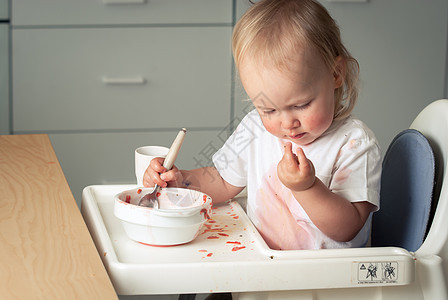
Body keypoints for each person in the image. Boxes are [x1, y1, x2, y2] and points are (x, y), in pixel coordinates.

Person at [143, 0, 381, 250]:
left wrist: (307, 188)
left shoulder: (354, 143)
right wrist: (180, 181)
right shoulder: (254, 128)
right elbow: (222, 181)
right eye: (269, 109)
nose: (288, 123)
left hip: (323, 282)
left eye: (301, 105)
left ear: (335, 74)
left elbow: (348, 227)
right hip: (260, 268)